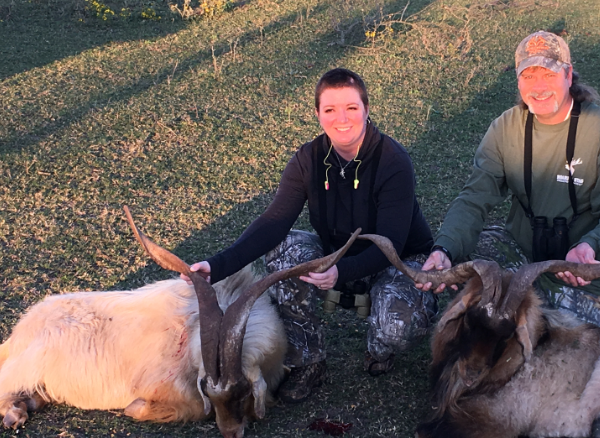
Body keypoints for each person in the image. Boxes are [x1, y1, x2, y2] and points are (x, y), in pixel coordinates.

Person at [187, 68, 437, 403]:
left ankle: (379, 348)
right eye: (330, 110)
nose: (341, 119)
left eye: (351, 107)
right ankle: (309, 359)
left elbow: (390, 243)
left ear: (366, 109)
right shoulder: (308, 159)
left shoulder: (393, 161)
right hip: (338, 256)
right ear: (318, 114)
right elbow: (274, 221)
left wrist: (340, 272)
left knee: (394, 329)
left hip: (399, 260)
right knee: (283, 249)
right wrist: (216, 267)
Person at [421, 31, 600, 328]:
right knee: (476, 297)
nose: (538, 87)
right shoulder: (505, 128)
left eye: (548, 74)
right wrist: (444, 249)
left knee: (559, 347)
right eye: (528, 75)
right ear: (518, 81)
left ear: (568, 74)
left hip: (583, 271)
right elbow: (474, 199)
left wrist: (591, 246)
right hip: (524, 254)